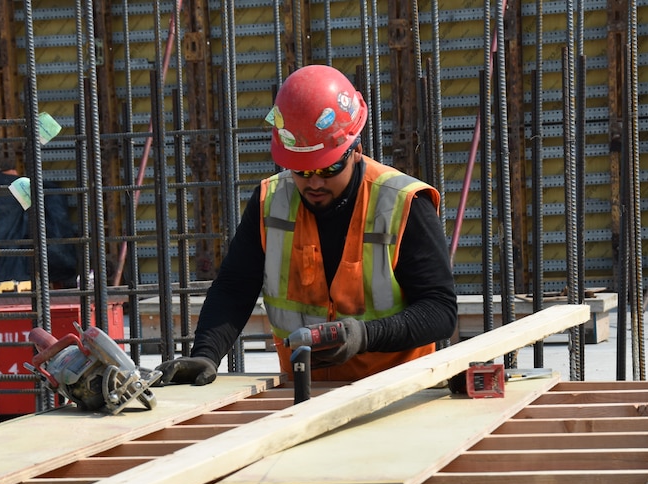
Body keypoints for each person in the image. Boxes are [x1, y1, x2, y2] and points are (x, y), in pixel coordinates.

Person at [156, 64, 457, 386]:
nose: (313, 183)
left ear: (355, 150)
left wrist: (365, 335)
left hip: (396, 391)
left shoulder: (402, 203)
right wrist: (206, 353)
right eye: (301, 170)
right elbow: (234, 287)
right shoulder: (270, 201)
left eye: (327, 170)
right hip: (305, 391)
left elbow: (440, 310)